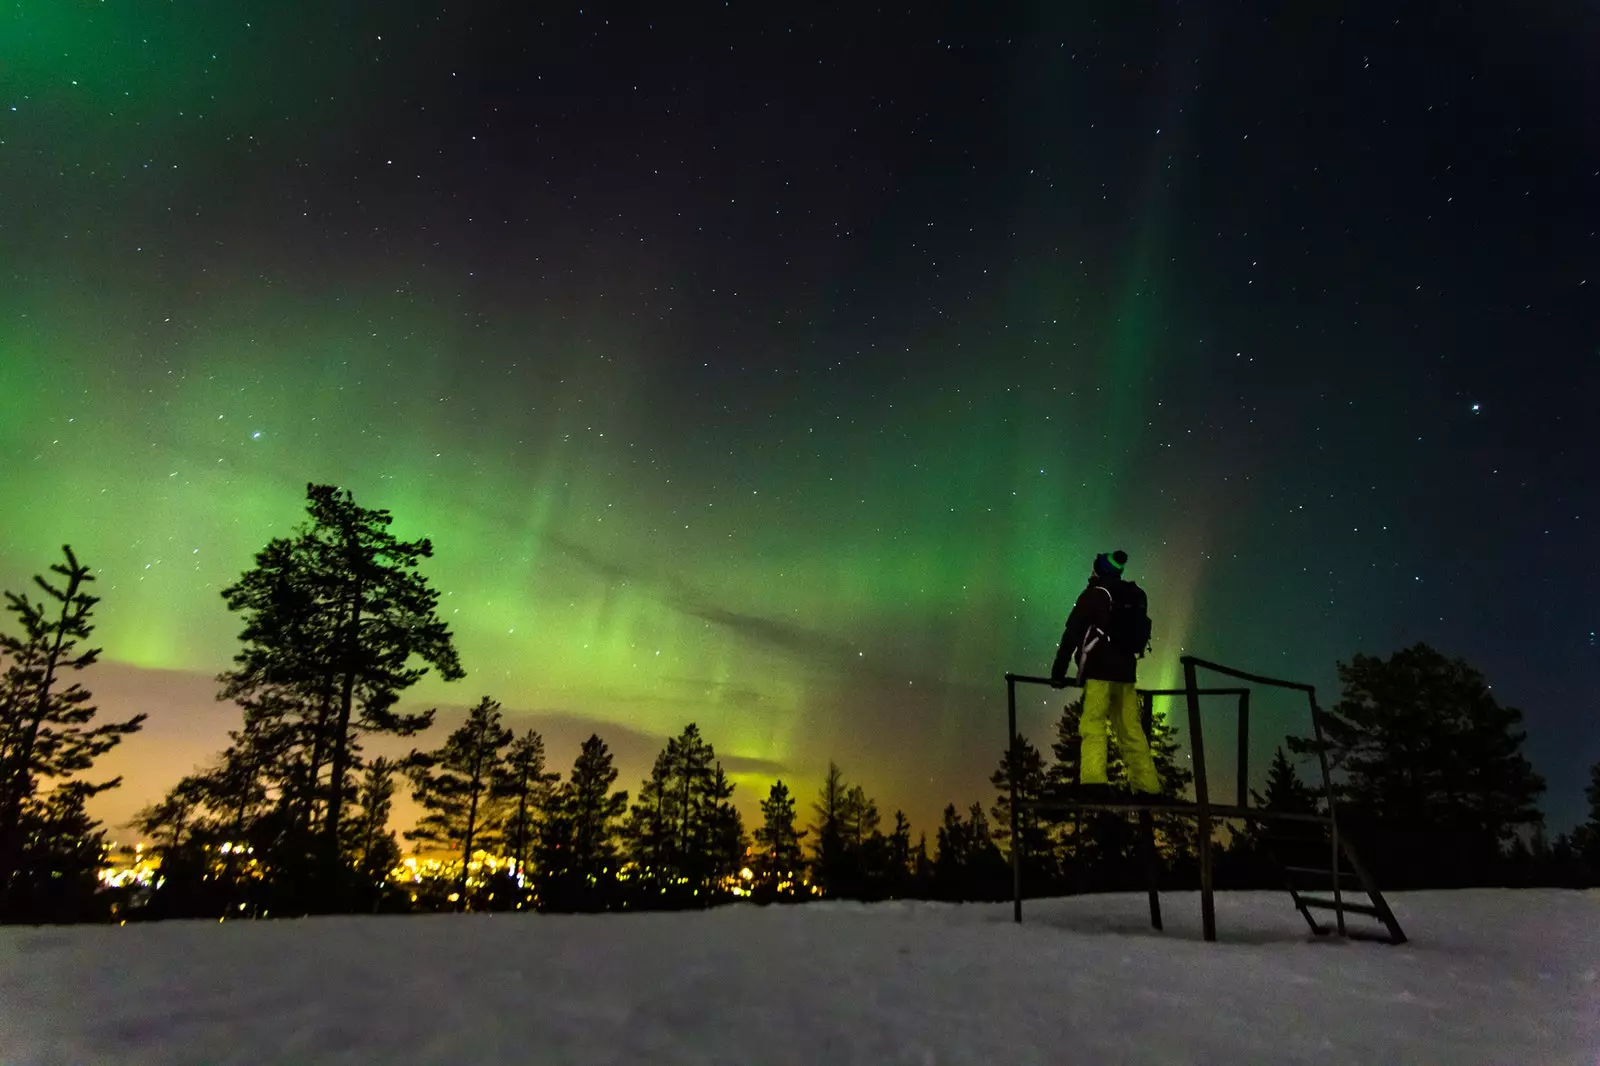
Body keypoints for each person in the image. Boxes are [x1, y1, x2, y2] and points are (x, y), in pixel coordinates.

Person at [1049, 550, 1161, 796]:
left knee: (1093, 723)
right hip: (1126, 674)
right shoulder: (1135, 595)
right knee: (1131, 728)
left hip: (1099, 672)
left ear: (1098, 570)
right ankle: (1148, 786)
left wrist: (1058, 672)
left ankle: (1094, 782)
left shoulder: (1094, 596)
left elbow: (1071, 634)